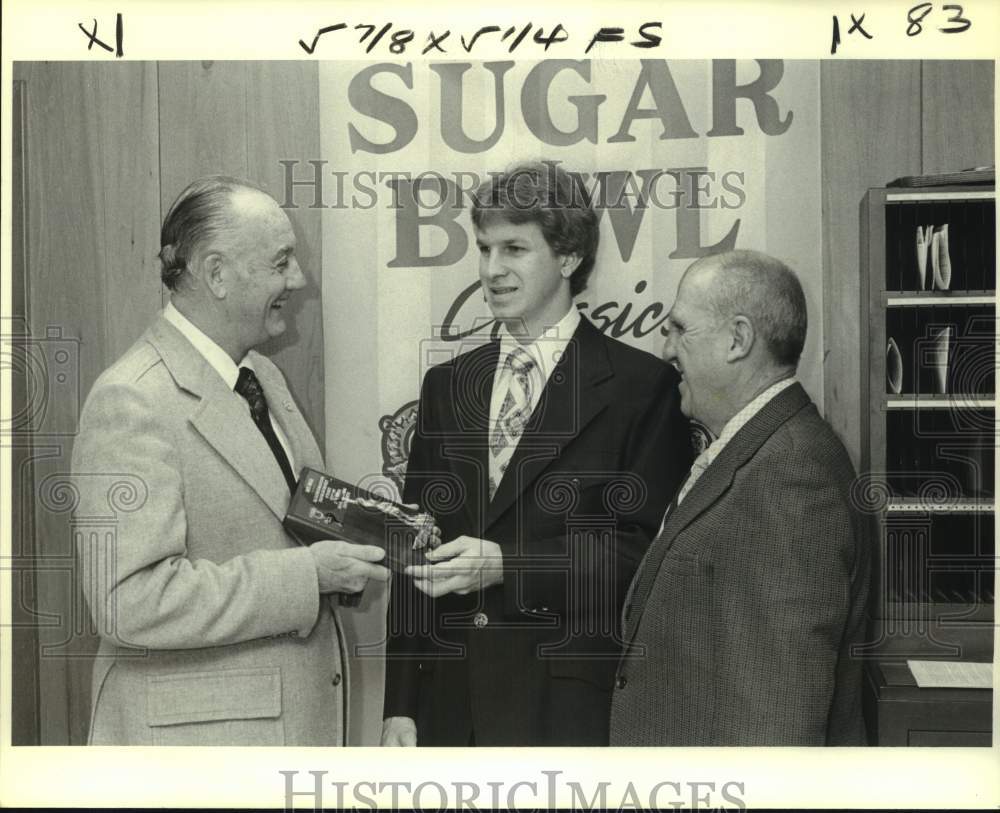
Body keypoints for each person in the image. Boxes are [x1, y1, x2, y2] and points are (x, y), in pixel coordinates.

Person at [381, 161, 692, 746]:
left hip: (567, 712)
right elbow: (411, 545)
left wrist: (507, 564)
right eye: (484, 248)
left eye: (515, 249)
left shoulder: (640, 387)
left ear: (569, 257)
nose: (491, 270)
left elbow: (644, 559)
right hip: (448, 713)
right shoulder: (446, 386)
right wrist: (400, 705)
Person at [71, 176, 390, 746]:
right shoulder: (132, 398)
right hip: (197, 757)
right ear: (216, 274)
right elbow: (128, 602)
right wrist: (309, 576)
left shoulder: (260, 374)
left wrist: (383, 528)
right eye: (281, 261)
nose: (299, 279)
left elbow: (287, 518)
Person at [610, 249, 872, 746]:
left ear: (738, 340)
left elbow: (781, 715)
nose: (665, 350)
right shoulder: (767, 449)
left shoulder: (791, 473)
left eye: (679, 329)